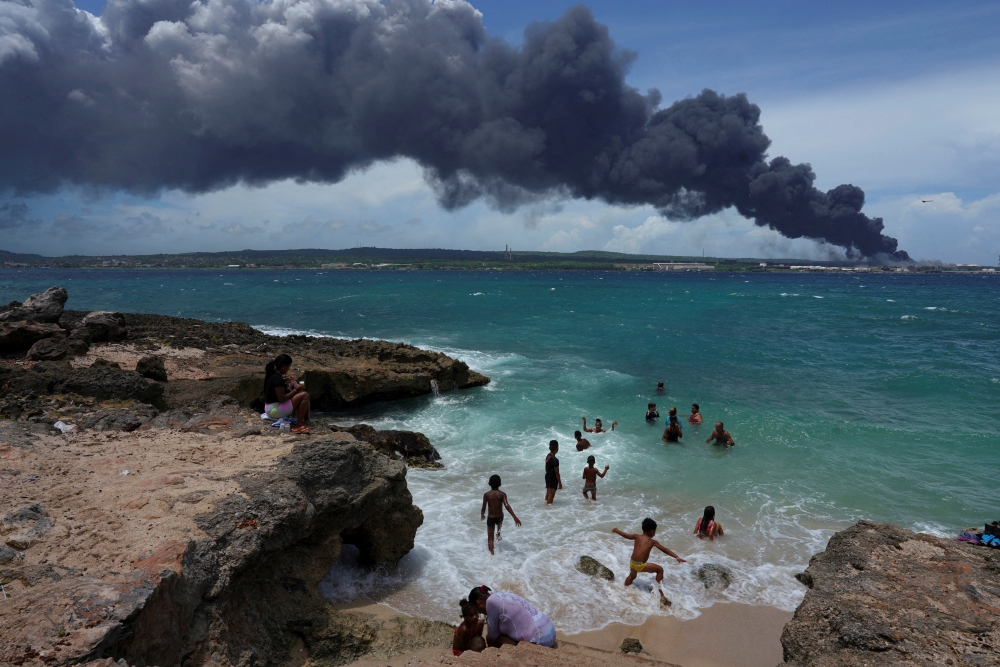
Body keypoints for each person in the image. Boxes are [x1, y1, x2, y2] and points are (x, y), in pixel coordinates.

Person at [612, 518, 686, 607]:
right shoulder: (652, 542)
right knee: (659, 569)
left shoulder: (636, 537)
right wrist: (676, 557)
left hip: (632, 562)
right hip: (640, 565)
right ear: (651, 531)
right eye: (655, 531)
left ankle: (623, 588)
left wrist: (616, 530)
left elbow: (625, 535)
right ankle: (660, 591)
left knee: (632, 576)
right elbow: (665, 550)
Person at [468, 586, 556, 648]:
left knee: (490, 638)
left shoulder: (490, 603)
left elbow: (493, 636)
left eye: (476, 609)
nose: (479, 612)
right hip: (550, 630)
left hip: (542, 640)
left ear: (478, 602)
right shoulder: (499, 595)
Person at [263, 354, 311, 434]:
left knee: (303, 396)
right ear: (284, 366)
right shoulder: (277, 379)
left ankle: (306, 421)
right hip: (274, 410)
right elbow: (282, 399)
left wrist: (285, 380)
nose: (288, 369)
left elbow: (276, 385)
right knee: (304, 395)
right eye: (288, 367)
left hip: (270, 407)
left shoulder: (274, 375)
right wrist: (296, 389)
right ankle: (299, 424)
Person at [481, 474, 521, 555]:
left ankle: (492, 554)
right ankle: (498, 534)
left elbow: (484, 506)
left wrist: (482, 515)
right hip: (499, 517)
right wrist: (515, 517)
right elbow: (507, 505)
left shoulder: (486, 495)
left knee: (490, 537)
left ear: (489, 483)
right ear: (500, 484)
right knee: (499, 521)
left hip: (491, 518)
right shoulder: (502, 494)